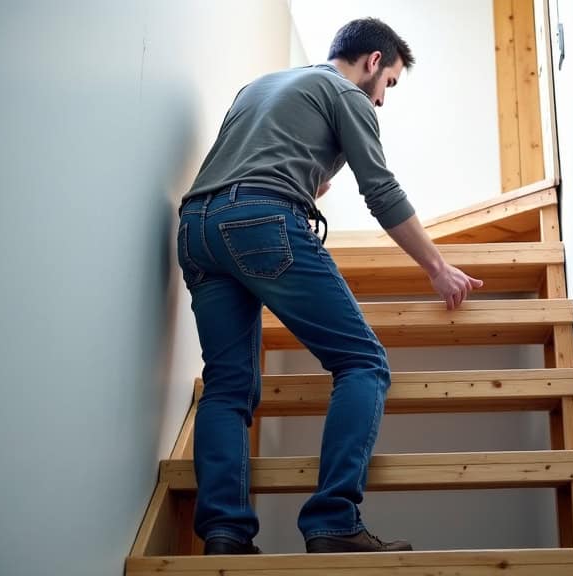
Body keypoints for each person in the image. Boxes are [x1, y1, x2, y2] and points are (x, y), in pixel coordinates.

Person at [176, 18, 483, 555]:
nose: (382, 99)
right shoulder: (347, 93)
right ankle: (333, 521)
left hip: (196, 229)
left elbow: (247, 164)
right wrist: (437, 267)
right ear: (373, 61)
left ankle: (224, 534)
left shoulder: (259, 87)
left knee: (227, 387)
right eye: (389, 83)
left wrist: (306, 181)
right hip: (262, 223)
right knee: (363, 363)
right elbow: (380, 189)